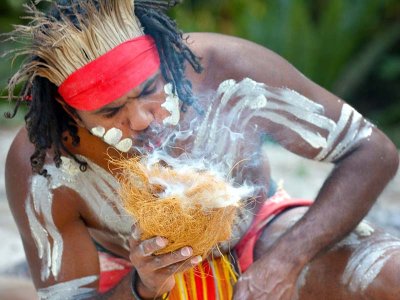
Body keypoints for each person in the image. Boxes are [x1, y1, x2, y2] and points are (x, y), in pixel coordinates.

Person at [4, 0, 400, 299]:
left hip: (252, 233)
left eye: (148, 91)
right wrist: (144, 284)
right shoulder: (42, 164)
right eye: (110, 111)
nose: (141, 119)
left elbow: (372, 151)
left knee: (388, 274)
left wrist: (284, 262)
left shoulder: (224, 68)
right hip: (128, 271)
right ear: (69, 114)